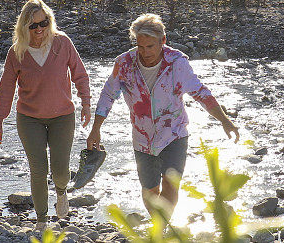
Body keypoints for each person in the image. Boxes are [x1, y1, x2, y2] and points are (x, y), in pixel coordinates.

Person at [86, 13, 239, 220]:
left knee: (171, 184)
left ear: (163, 41)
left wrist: (224, 120)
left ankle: (161, 228)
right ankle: (159, 225)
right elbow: (107, 96)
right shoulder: (124, 63)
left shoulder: (177, 63)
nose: (145, 52)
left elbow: (201, 93)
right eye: (141, 47)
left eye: (150, 47)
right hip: (142, 137)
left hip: (174, 133)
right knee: (149, 189)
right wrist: (96, 129)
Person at [0, 0, 91, 232]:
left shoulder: (62, 43)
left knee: (59, 170)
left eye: (43, 23)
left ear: (49, 21)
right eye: (33, 26)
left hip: (62, 117)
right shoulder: (17, 52)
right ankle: (42, 220)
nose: (39, 29)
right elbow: (6, 88)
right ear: (24, 27)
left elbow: (80, 74)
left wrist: (86, 103)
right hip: (29, 119)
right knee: (38, 168)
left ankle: (61, 190)